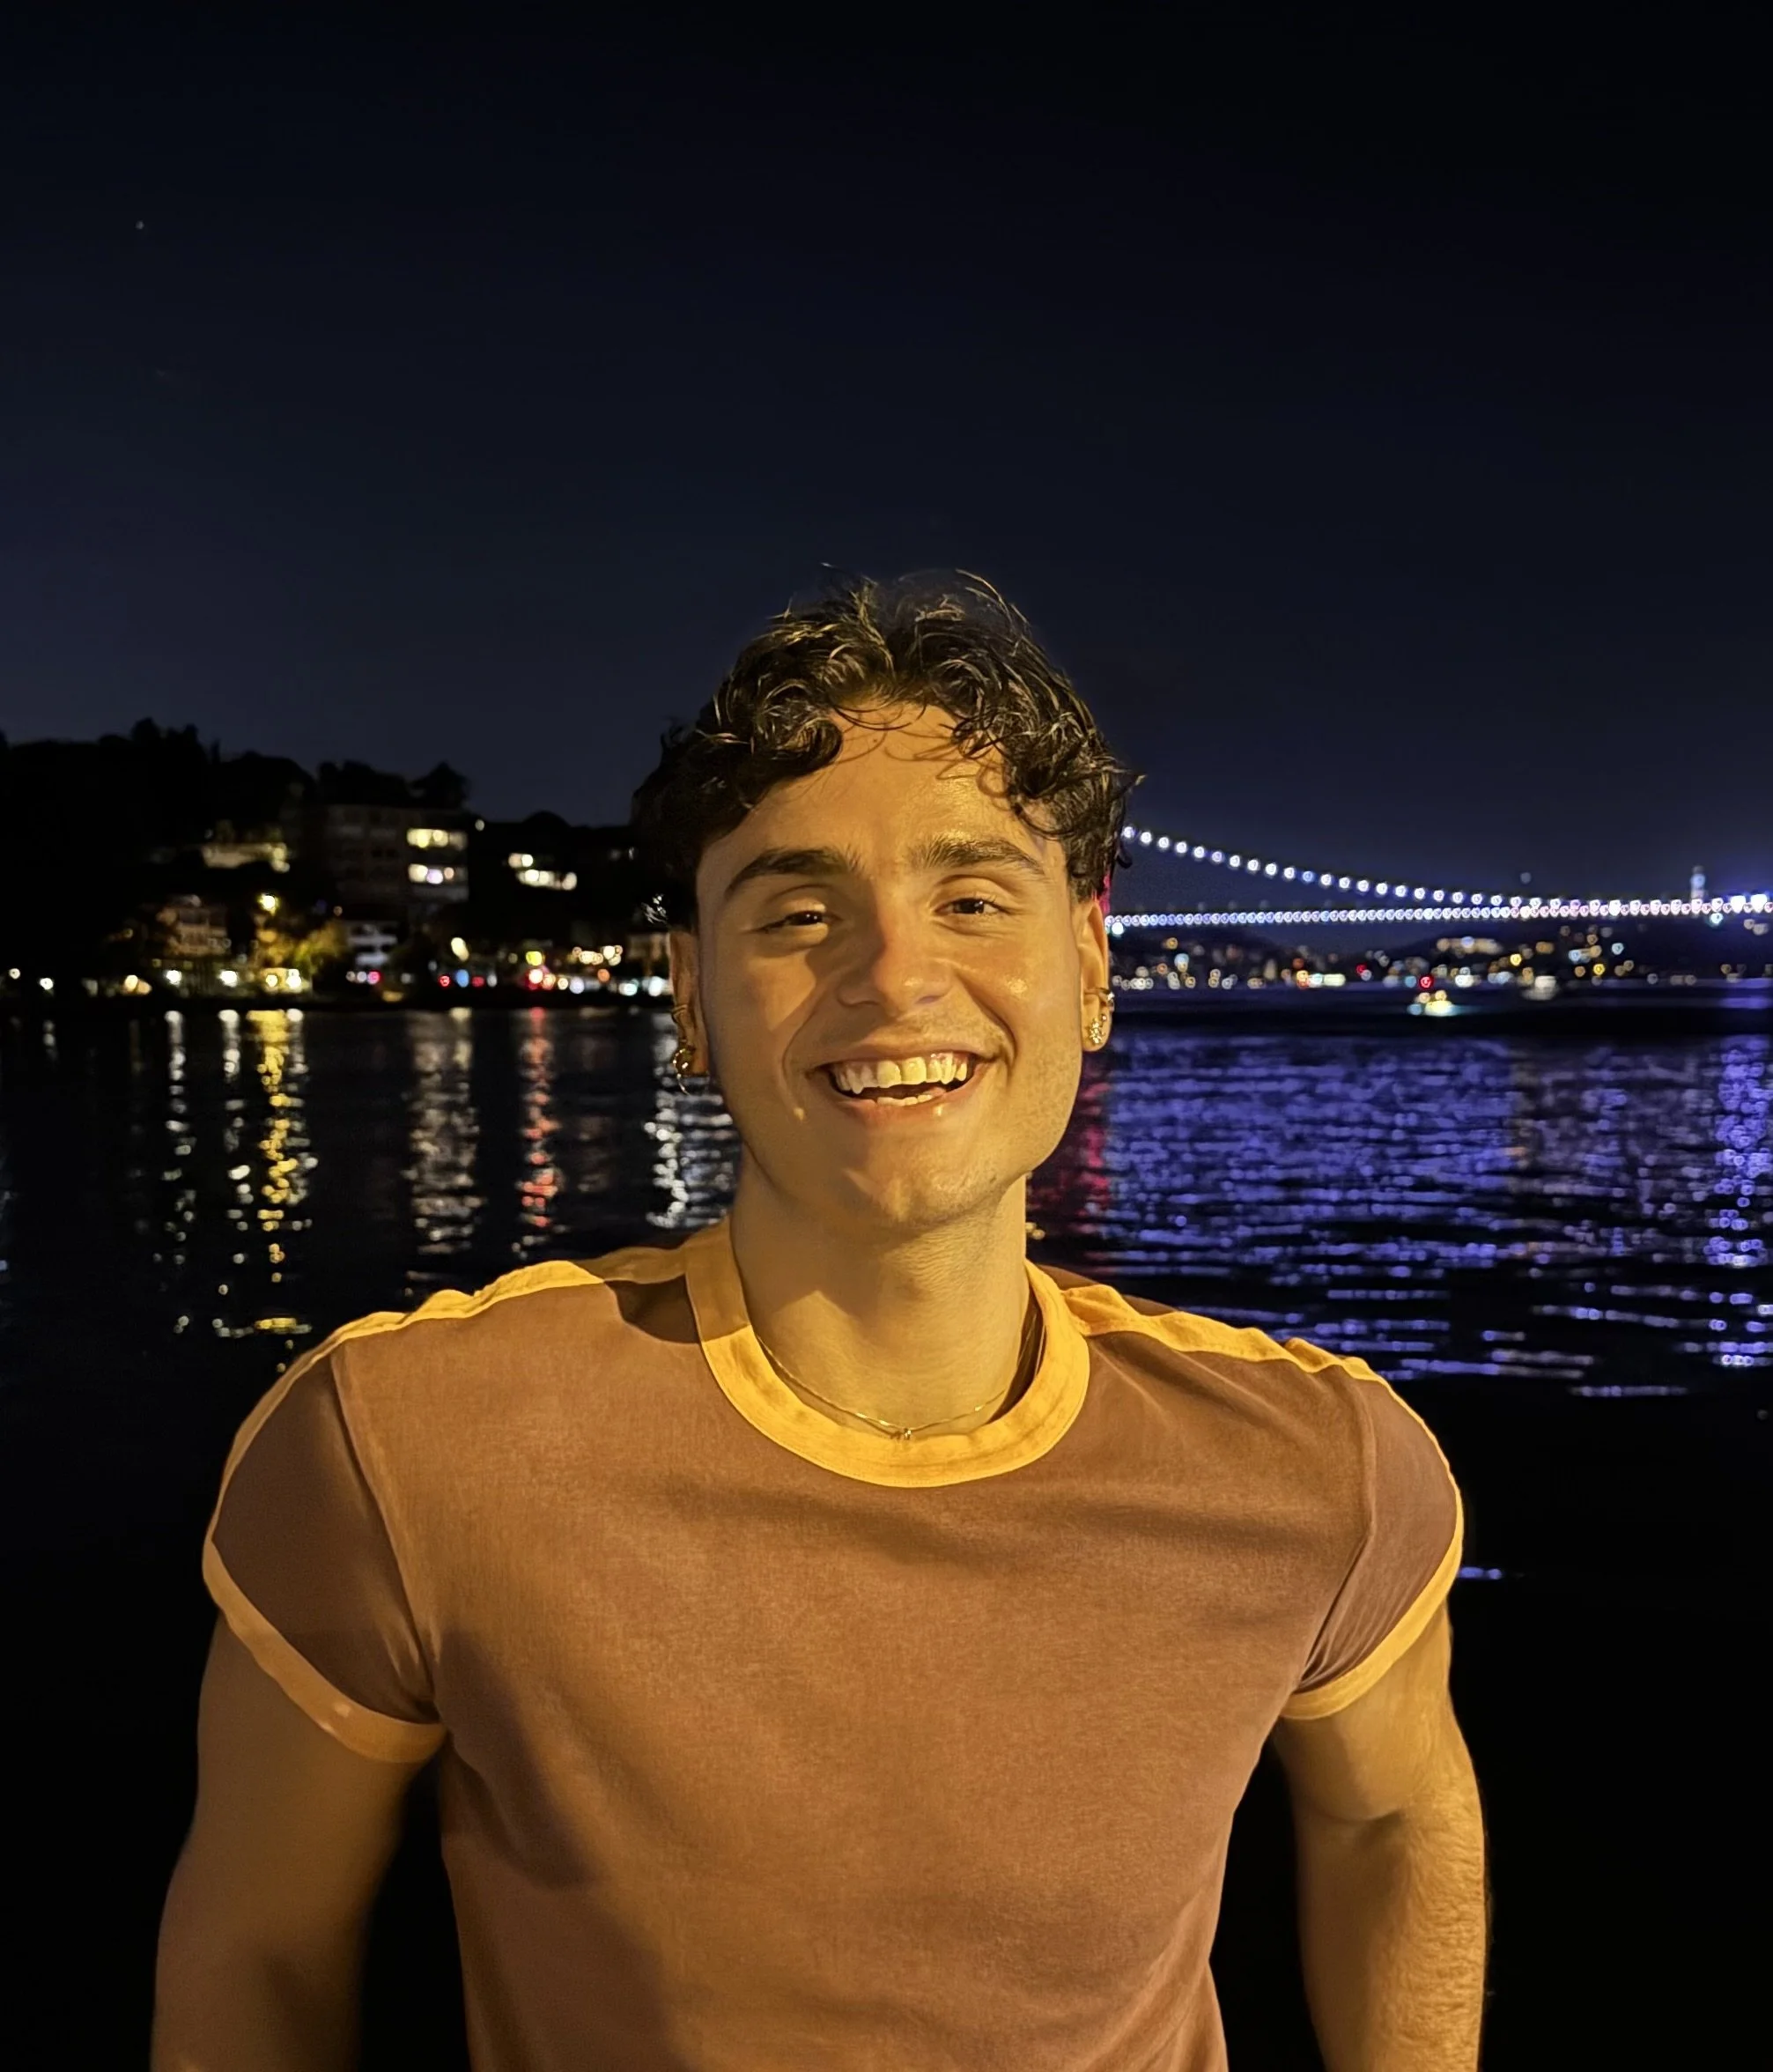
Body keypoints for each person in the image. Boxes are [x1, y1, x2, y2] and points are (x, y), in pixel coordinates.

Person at [154, 575, 1486, 2070]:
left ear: (1095, 966)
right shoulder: (404, 1451)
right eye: (799, 912)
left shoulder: (1317, 1469)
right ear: (693, 1002)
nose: (897, 977)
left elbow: (1390, 1819)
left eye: (975, 899)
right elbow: (256, 1956)